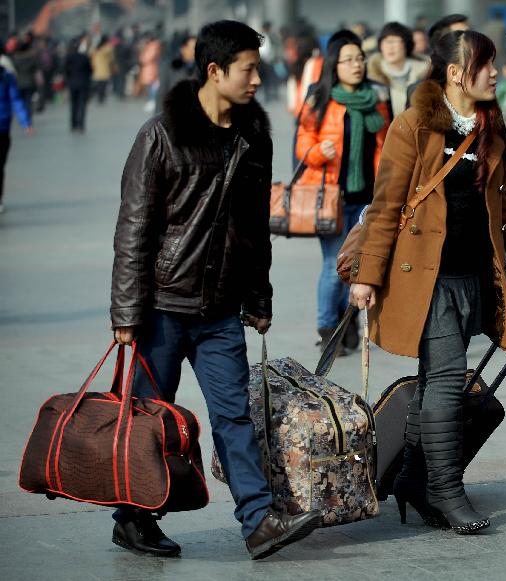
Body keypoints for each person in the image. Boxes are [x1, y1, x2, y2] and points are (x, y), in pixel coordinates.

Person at [110, 20, 322, 560]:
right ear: (215, 70)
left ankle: (258, 522)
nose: (257, 78)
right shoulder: (160, 135)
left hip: (220, 310)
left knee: (234, 416)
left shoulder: (254, 137)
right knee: (149, 420)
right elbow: (135, 229)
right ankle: (134, 519)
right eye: (247, 68)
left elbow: (254, 228)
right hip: (160, 307)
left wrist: (260, 297)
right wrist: (127, 312)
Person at [348, 29, 506, 535]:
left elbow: (504, 212)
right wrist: (368, 276)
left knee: (433, 384)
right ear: (457, 73)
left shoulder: (489, 124)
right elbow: (387, 205)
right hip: (426, 280)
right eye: (487, 65)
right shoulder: (414, 125)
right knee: (445, 379)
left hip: (473, 277)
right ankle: (444, 487)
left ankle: (414, 480)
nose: (496, 73)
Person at [295, 32, 390, 352]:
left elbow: (387, 146)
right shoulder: (320, 98)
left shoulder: (376, 99)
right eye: (349, 60)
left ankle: (346, 326)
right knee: (333, 267)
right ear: (335, 65)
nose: (356, 65)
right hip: (333, 199)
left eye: (360, 58)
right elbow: (303, 146)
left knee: (356, 268)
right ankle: (327, 328)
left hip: (368, 198)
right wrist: (319, 151)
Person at [366, 22, 428, 119]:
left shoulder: (425, 73)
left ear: (406, 44)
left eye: (395, 41)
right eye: (386, 41)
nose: (390, 47)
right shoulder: (371, 75)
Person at [0, 60, 33, 214]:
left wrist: (25, 122)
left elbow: (15, 100)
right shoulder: (7, 76)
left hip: (3, 127)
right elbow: (16, 100)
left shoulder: (7, 77)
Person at [155, 33, 196, 114]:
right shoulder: (169, 67)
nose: (196, 51)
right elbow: (162, 92)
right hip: (174, 115)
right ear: (183, 49)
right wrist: (159, 116)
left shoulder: (203, 68)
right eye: (193, 48)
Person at [64, 36, 92, 133]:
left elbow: (65, 71)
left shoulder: (68, 58)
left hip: (72, 84)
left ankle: (73, 124)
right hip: (83, 84)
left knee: (73, 105)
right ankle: (81, 125)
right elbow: (90, 70)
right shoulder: (84, 57)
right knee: (82, 105)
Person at [11, 33, 38, 119]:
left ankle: (23, 116)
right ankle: (28, 116)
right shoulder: (31, 58)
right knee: (28, 100)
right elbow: (35, 68)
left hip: (19, 82)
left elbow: (14, 69)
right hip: (30, 82)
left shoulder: (16, 59)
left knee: (21, 101)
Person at [90, 35, 114, 104]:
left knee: (99, 84)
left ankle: (99, 97)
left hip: (97, 68)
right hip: (104, 68)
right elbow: (111, 58)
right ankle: (101, 97)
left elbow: (91, 56)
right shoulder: (107, 49)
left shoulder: (96, 48)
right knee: (103, 85)